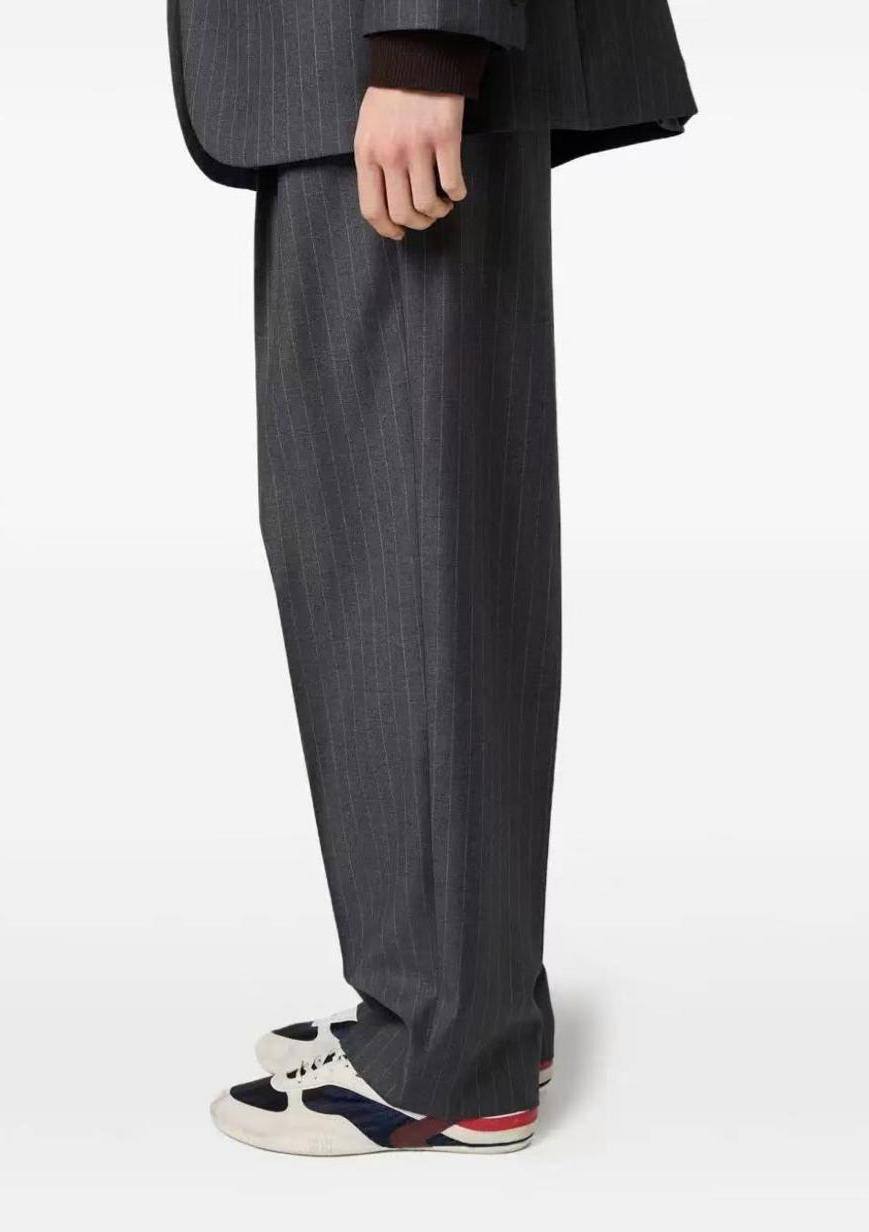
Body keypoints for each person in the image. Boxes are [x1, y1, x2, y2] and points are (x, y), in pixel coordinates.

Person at [168, 0, 695, 1156]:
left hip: (386, 51)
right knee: (388, 533)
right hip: (356, 60)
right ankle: (470, 996)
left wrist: (425, 42)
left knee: (403, 549)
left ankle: (447, 1053)